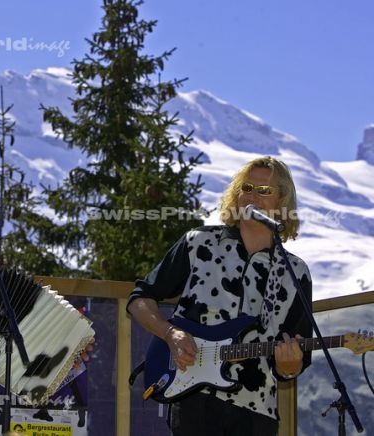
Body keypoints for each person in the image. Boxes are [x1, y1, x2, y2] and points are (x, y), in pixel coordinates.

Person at [127, 156, 312, 436]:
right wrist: (170, 334)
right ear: (235, 194)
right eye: (247, 187)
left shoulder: (295, 272)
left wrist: (290, 364)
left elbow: (293, 358)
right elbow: (141, 297)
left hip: (257, 410)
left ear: (282, 204)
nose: (253, 196)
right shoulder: (198, 243)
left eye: (265, 191)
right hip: (192, 401)